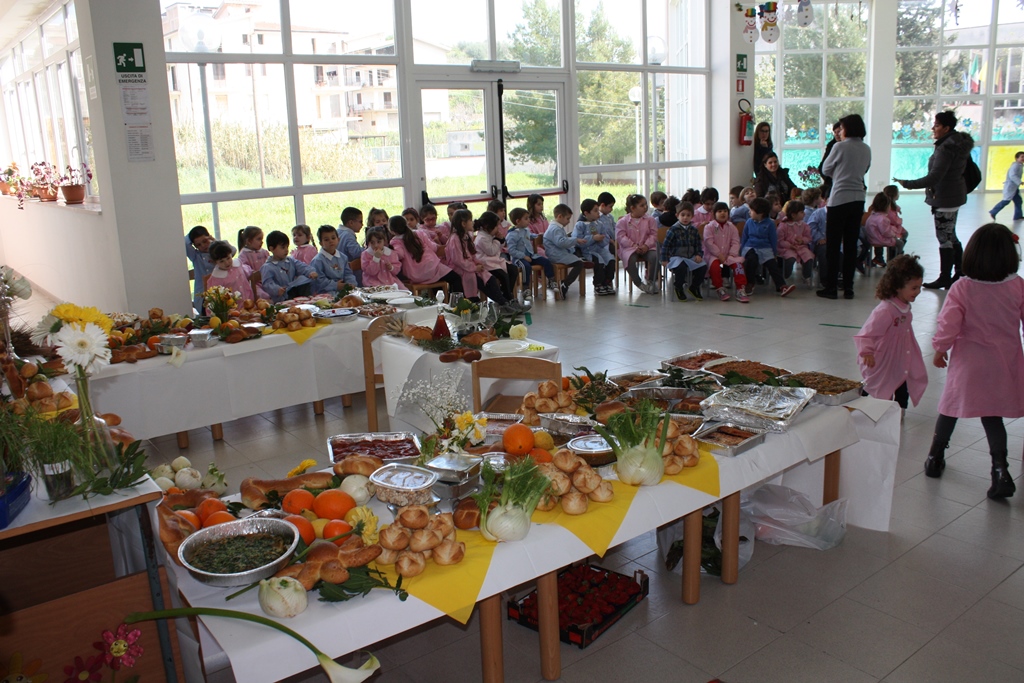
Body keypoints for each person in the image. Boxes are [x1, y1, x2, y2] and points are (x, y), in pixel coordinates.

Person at [925, 223, 1024, 499]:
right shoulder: (1017, 285)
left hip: (969, 364)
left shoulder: (963, 287)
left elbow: (949, 324)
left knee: (950, 407)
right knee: (992, 415)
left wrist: (940, 349)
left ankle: (934, 458)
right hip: (1004, 363)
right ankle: (1000, 471)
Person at [895, 110, 974, 290]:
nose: (933, 128)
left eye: (937, 125)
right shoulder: (957, 144)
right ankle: (960, 272)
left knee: (944, 238)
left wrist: (908, 183)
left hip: (946, 198)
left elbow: (934, 177)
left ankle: (946, 277)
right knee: (950, 235)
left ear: (946, 128)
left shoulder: (946, 148)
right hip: (954, 195)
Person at [853, 254, 927, 415]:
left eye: (919, 287)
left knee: (902, 380)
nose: (918, 292)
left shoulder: (905, 306)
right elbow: (867, 333)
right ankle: (860, 402)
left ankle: (899, 411)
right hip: (885, 357)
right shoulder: (886, 310)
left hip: (900, 355)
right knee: (879, 382)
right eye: (914, 288)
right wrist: (867, 352)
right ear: (898, 286)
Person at [818, 113, 871, 300]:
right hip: (858, 199)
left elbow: (825, 169)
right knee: (851, 244)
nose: (839, 131)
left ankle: (831, 287)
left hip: (839, 198)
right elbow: (865, 169)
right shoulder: (866, 148)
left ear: (848, 128)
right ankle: (849, 287)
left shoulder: (839, 146)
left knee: (833, 245)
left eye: (841, 128)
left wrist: (839, 173)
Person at [389, 217, 463, 293]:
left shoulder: (395, 241)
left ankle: (438, 298)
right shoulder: (419, 233)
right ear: (406, 224)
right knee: (456, 278)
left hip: (415, 275)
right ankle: (454, 299)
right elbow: (433, 248)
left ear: (391, 231)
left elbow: (400, 255)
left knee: (436, 280)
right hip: (431, 267)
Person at [740, 197, 795, 297]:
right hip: (750, 247)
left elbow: (773, 239)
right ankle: (750, 283)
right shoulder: (749, 222)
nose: (749, 212)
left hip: (765, 248)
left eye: (751, 210)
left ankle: (782, 286)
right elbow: (744, 238)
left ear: (760, 213)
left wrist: (774, 253)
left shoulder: (770, 223)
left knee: (772, 265)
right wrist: (741, 252)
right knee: (751, 260)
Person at [661, 201, 706, 302]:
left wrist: (698, 254)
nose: (685, 218)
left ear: (692, 216)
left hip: (690, 257)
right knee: (681, 267)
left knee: (703, 266)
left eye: (688, 215)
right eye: (683, 215)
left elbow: (698, 245)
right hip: (677, 257)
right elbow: (666, 245)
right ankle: (678, 287)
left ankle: (694, 287)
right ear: (677, 215)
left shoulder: (694, 230)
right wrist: (664, 259)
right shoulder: (673, 230)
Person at [703, 203, 748, 303]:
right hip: (714, 256)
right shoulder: (709, 227)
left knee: (738, 266)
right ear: (714, 214)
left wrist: (732, 254)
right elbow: (709, 243)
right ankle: (720, 288)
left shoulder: (732, 227)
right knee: (715, 267)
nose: (723, 213)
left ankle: (740, 289)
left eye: (725, 211)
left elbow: (736, 242)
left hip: (730, 255)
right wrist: (719, 255)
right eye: (719, 211)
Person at [616, 193, 660, 294]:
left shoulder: (650, 220)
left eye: (646, 204)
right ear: (632, 208)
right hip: (629, 248)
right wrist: (634, 246)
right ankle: (639, 283)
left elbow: (654, 235)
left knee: (656, 256)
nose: (645, 207)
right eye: (642, 205)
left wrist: (646, 245)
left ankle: (651, 281)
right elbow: (621, 237)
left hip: (647, 247)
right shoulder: (623, 221)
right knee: (630, 259)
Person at [506, 207, 556, 294]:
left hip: (531, 256)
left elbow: (530, 236)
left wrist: (537, 236)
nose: (528, 220)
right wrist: (523, 256)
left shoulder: (526, 230)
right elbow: (511, 250)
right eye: (526, 218)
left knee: (546, 261)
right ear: (518, 221)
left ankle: (551, 281)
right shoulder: (511, 235)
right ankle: (526, 288)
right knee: (526, 267)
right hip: (519, 259)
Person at [260, 230, 318, 303]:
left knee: (305, 279)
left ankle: (306, 300)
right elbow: (267, 283)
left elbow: (301, 266)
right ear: (271, 249)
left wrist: (310, 272)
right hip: (281, 297)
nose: (286, 250)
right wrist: (277, 289)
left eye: (287, 247)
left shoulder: (290, 260)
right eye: (283, 247)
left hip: (293, 291)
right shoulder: (267, 267)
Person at [543, 203, 585, 301]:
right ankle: (565, 284)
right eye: (567, 219)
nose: (569, 221)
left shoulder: (556, 227)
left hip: (559, 253)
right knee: (579, 264)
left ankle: (565, 283)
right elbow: (561, 242)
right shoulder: (555, 229)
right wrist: (575, 240)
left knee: (578, 257)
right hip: (556, 255)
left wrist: (569, 237)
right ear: (560, 216)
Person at [575, 198, 615, 295]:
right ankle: (598, 284)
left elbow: (606, 237)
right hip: (587, 251)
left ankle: (607, 282)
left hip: (599, 249)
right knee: (599, 261)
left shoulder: (599, 224)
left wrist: (602, 239)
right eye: (595, 211)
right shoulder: (580, 225)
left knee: (610, 259)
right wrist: (593, 238)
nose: (598, 213)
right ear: (586, 213)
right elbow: (577, 241)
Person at [474, 211, 517, 300]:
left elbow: (499, 248)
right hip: (486, 264)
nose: (498, 228)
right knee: (503, 276)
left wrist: (501, 239)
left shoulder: (489, 234)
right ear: (487, 226)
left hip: (494, 261)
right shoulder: (481, 238)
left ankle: (507, 294)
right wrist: (497, 239)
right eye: (496, 226)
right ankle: (507, 298)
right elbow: (492, 251)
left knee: (513, 269)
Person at [862, 193, 907, 267]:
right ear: (886, 206)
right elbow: (886, 232)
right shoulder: (883, 219)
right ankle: (897, 261)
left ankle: (891, 260)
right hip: (879, 240)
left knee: (895, 241)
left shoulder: (872, 215)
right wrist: (893, 234)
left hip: (871, 239)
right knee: (900, 243)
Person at [776, 200, 815, 285]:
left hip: (801, 247)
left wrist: (802, 240)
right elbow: (780, 241)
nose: (804, 214)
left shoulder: (804, 225)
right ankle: (784, 275)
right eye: (801, 212)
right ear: (793, 214)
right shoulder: (783, 226)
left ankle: (806, 276)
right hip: (786, 248)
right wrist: (789, 245)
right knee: (790, 258)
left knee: (809, 257)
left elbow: (808, 238)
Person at [313, 224, 359, 291]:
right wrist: (336, 285)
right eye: (326, 240)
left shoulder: (343, 257)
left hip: (344, 290)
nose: (331, 241)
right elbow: (319, 281)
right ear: (321, 243)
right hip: (325, 292)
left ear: (338, 239)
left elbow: (348, 274)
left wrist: (351, 284)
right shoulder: (317, 260)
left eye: (333, 238)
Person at [185, 225, 214, 313]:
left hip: (219, 293)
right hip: (202, 296)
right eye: (198, 245)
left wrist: (214, 240)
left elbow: (232, 251)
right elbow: (185, 242)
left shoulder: (217, 252)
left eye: (205, 241)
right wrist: (191, 236)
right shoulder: (195, 256)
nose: (203, 245)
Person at [802, 187, 827, 284]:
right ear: (815, 199)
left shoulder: (816, 210)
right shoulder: (807, 212)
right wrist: (819, 238)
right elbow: (809, 229)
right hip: (810, 241)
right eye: (820, 197)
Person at [990, 150, 1024, 222]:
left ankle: (1018, 216)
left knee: (1018, 201)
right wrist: (1019, 182)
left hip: (1014, 187)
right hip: (1010, 187)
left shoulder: (1019, 165)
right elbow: (1012, 175)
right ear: (1017, 158)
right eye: (1022, 157)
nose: (1023, 158)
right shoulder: (1015, 166)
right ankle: (993, 212)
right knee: (1006, 201)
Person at [237, 225, 269, 299]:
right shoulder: (243, 254)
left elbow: (269, 263)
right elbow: (245, 269)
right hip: (254, 284)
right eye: (259, 239)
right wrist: (255, 274)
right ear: (249, 241)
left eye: (262, 239)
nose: (262, 242)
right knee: (262, 295)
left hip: (267, 280)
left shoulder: (264, 252)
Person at [337, 206, 366, 286]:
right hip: (349, 270)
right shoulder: (348, 235)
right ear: (351, 223)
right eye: (360, 221)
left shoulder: (338, 232)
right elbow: (356, 252)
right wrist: (368, 250)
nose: (362, 224)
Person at [818, 121, 842, 200]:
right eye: (835, 132)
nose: (836, 134)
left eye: (839, 131)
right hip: (831, 181)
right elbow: (823, 166)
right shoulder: (831, 145)